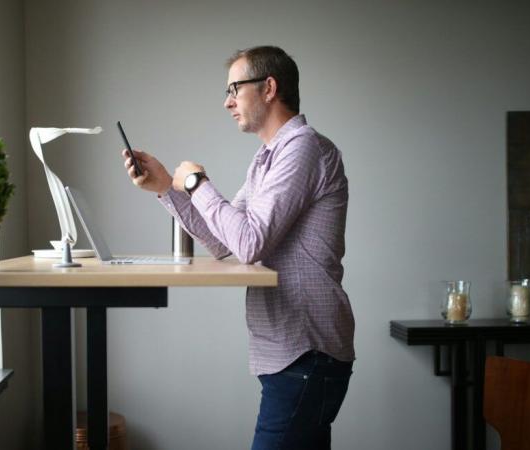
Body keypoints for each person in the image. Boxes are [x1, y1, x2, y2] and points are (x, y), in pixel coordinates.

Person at [121, 45, 355, 450]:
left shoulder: (303, 148)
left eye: (234, 88)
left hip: (306, 351)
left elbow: (249, 243)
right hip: (291, 353)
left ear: (268, 88)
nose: (227, 101)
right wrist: (166, 189)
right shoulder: (266, 159)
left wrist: (197, 184)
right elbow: (225, 244)